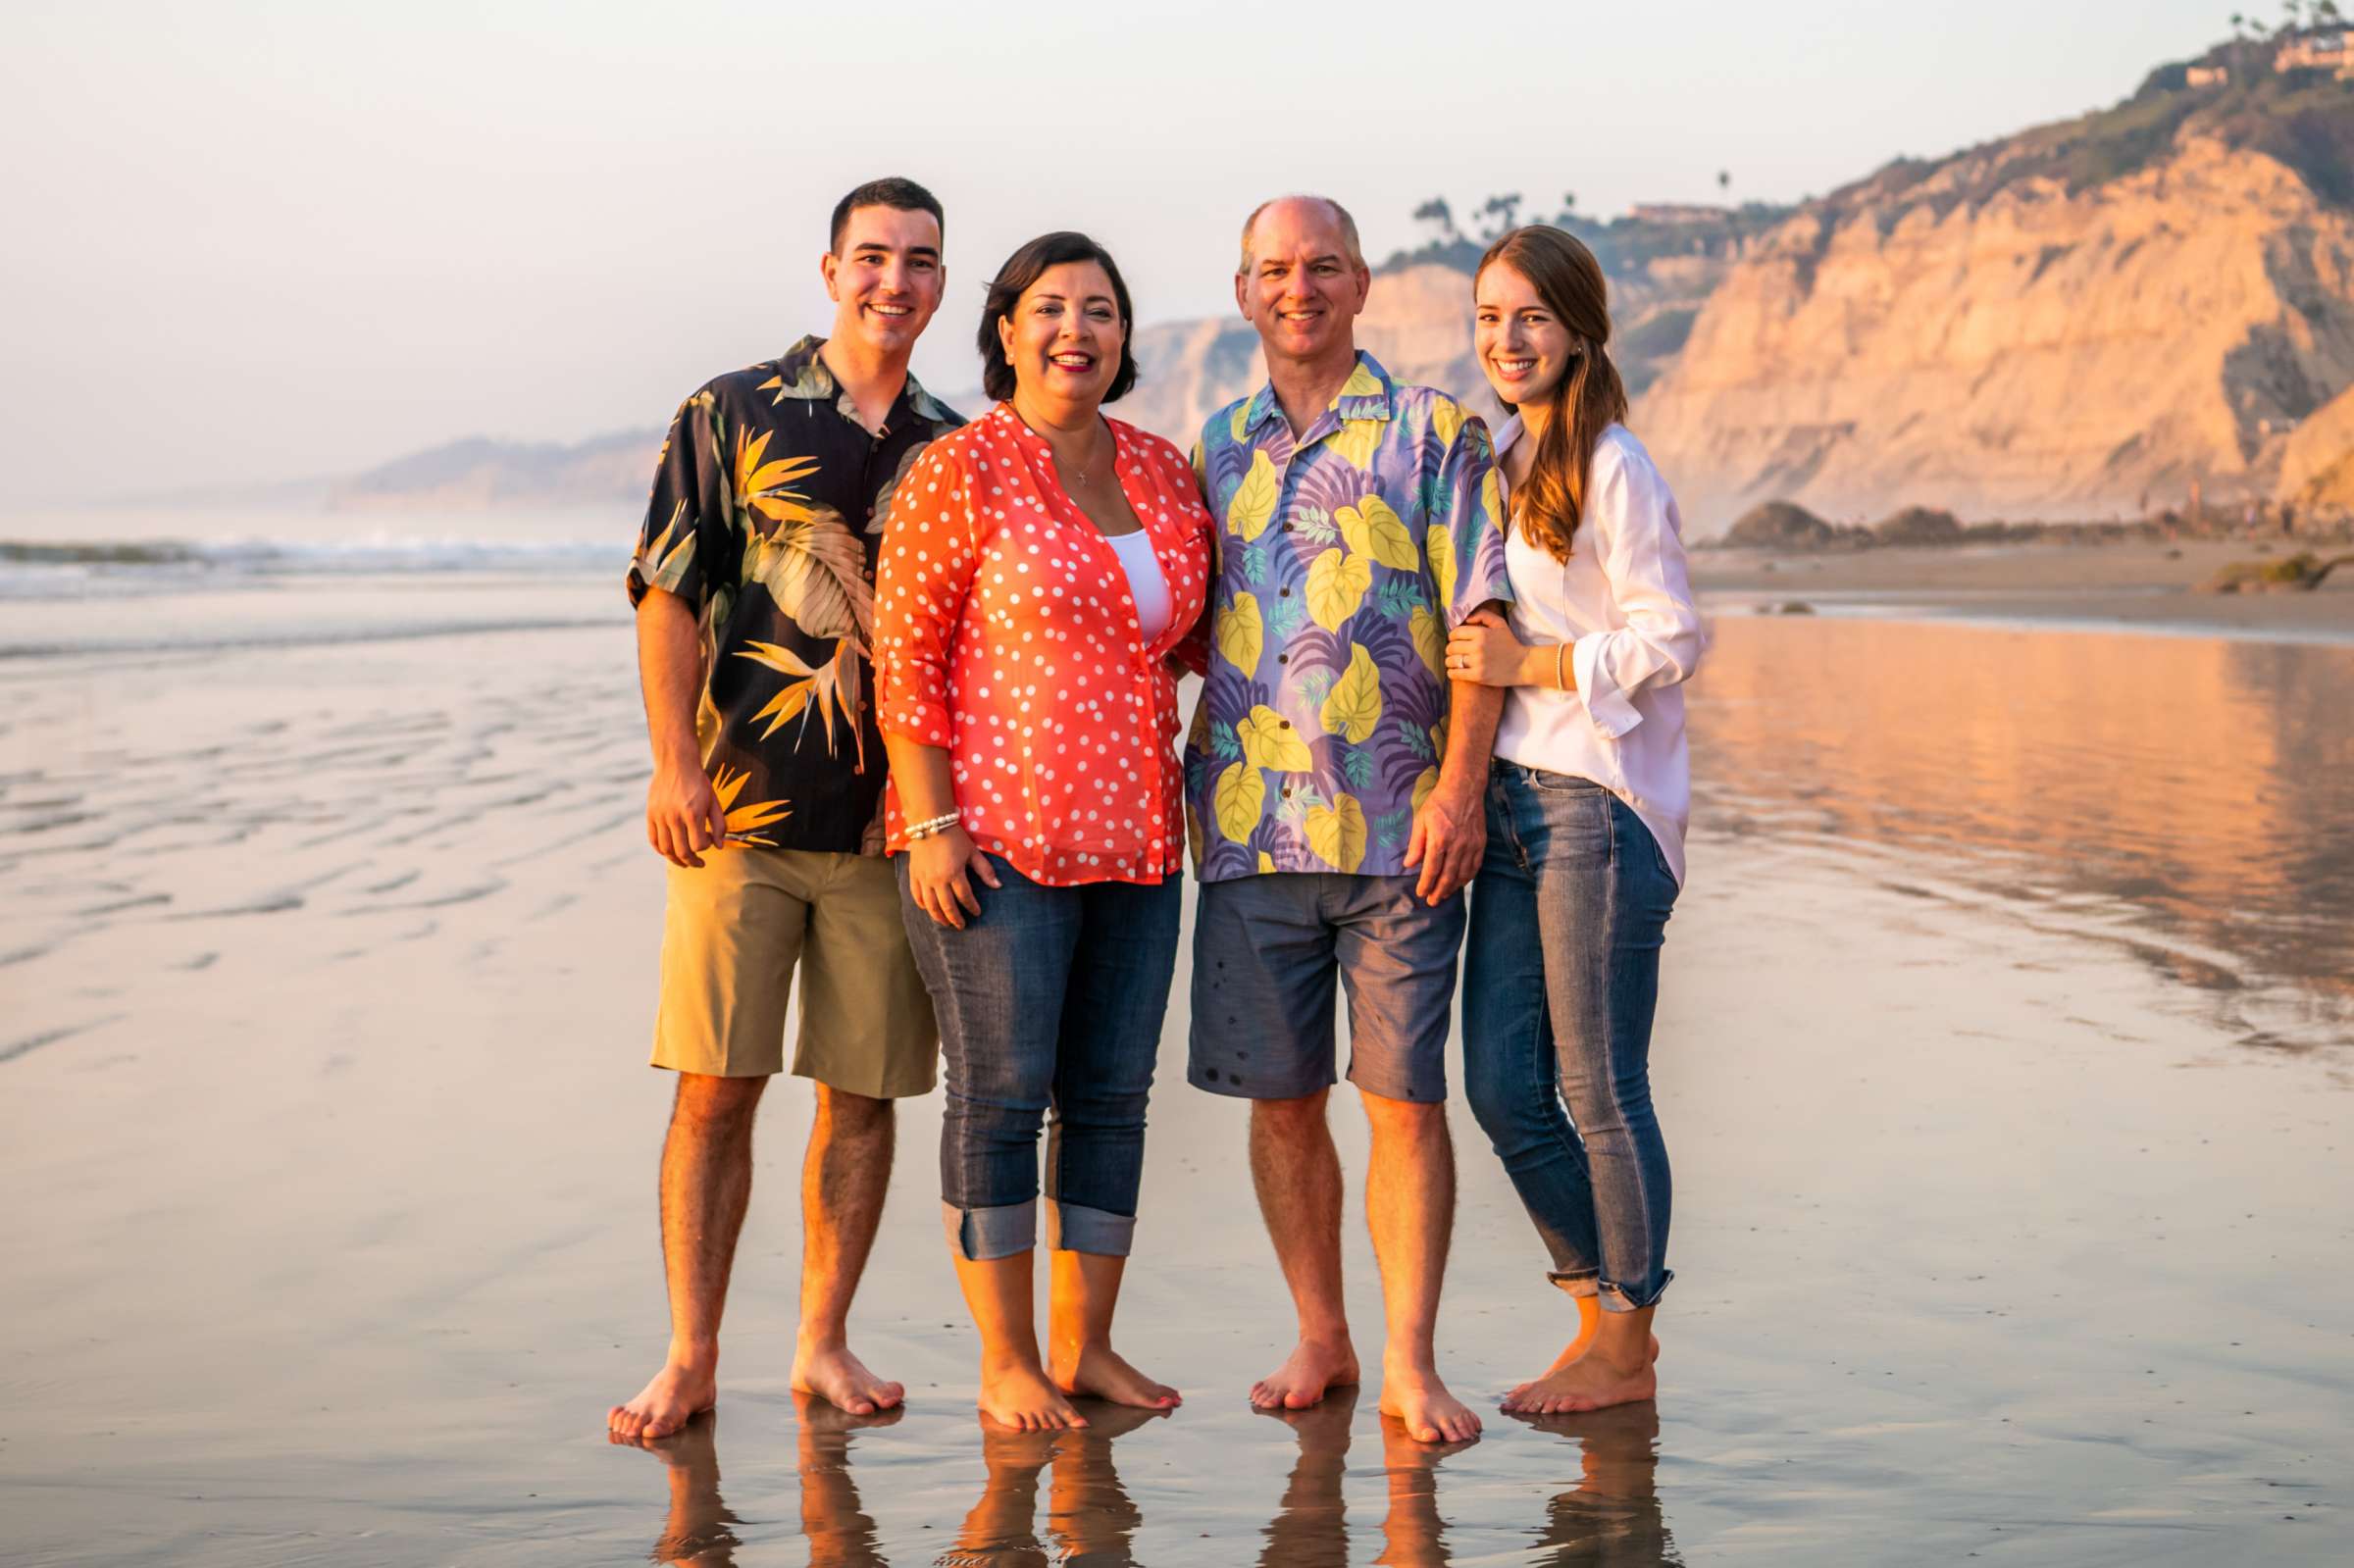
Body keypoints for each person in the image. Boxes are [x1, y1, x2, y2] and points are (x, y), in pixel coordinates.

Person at [608, 177, 962, 1442]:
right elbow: (665, 591)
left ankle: (821, 1341)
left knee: (859, 1098)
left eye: (921, 261)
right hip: (737, 809)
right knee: (717, 1084)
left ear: (941, 280)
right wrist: (672, 763)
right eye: (873, 257)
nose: (895, 282)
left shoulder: (955, 442)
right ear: (829, 271)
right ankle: (691, 1353)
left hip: (888, 832)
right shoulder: (730, 410)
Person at [1185, 194, 1512, 1444]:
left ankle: (1411, 1363)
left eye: (1323, 266)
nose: (1299, 287)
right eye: (1276, 269)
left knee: (1402, 1101)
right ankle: (1322, 1330)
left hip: (1401, 833)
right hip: (1246, 825)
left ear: (1363, 283)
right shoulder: (1211, 449)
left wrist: (1461, 789)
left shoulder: (1436, 435)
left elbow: (1485, 628)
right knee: (1280, 1103)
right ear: (1244, 289)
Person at [874, 230, 1212, 1432]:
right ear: (1007, 330)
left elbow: (1182, 642)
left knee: (1114, 1100)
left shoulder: (1167, 471)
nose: (1078, 329)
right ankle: (1007, 1360)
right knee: (1003, 1095)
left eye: (1102, 311)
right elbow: (902, 664)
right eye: (1052, 308)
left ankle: (1090, 1347)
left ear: (1124, 339)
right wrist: (931, 828)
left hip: (1139, 839)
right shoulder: (958, 470)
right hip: (996, 843)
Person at [1445, 224, 1704, 1414]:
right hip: (1508, 804)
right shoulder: (1497, 453)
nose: (1508, 339)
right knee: (1501, 1087)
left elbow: (1670, 639)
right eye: (1491, 317)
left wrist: (1531, 663)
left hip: (1598, 807)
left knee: (1601, 1088)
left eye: (1532, 317)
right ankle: (1606, 1315)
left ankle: (1627, 1335)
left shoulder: (1613, 466)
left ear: (1579, 329)